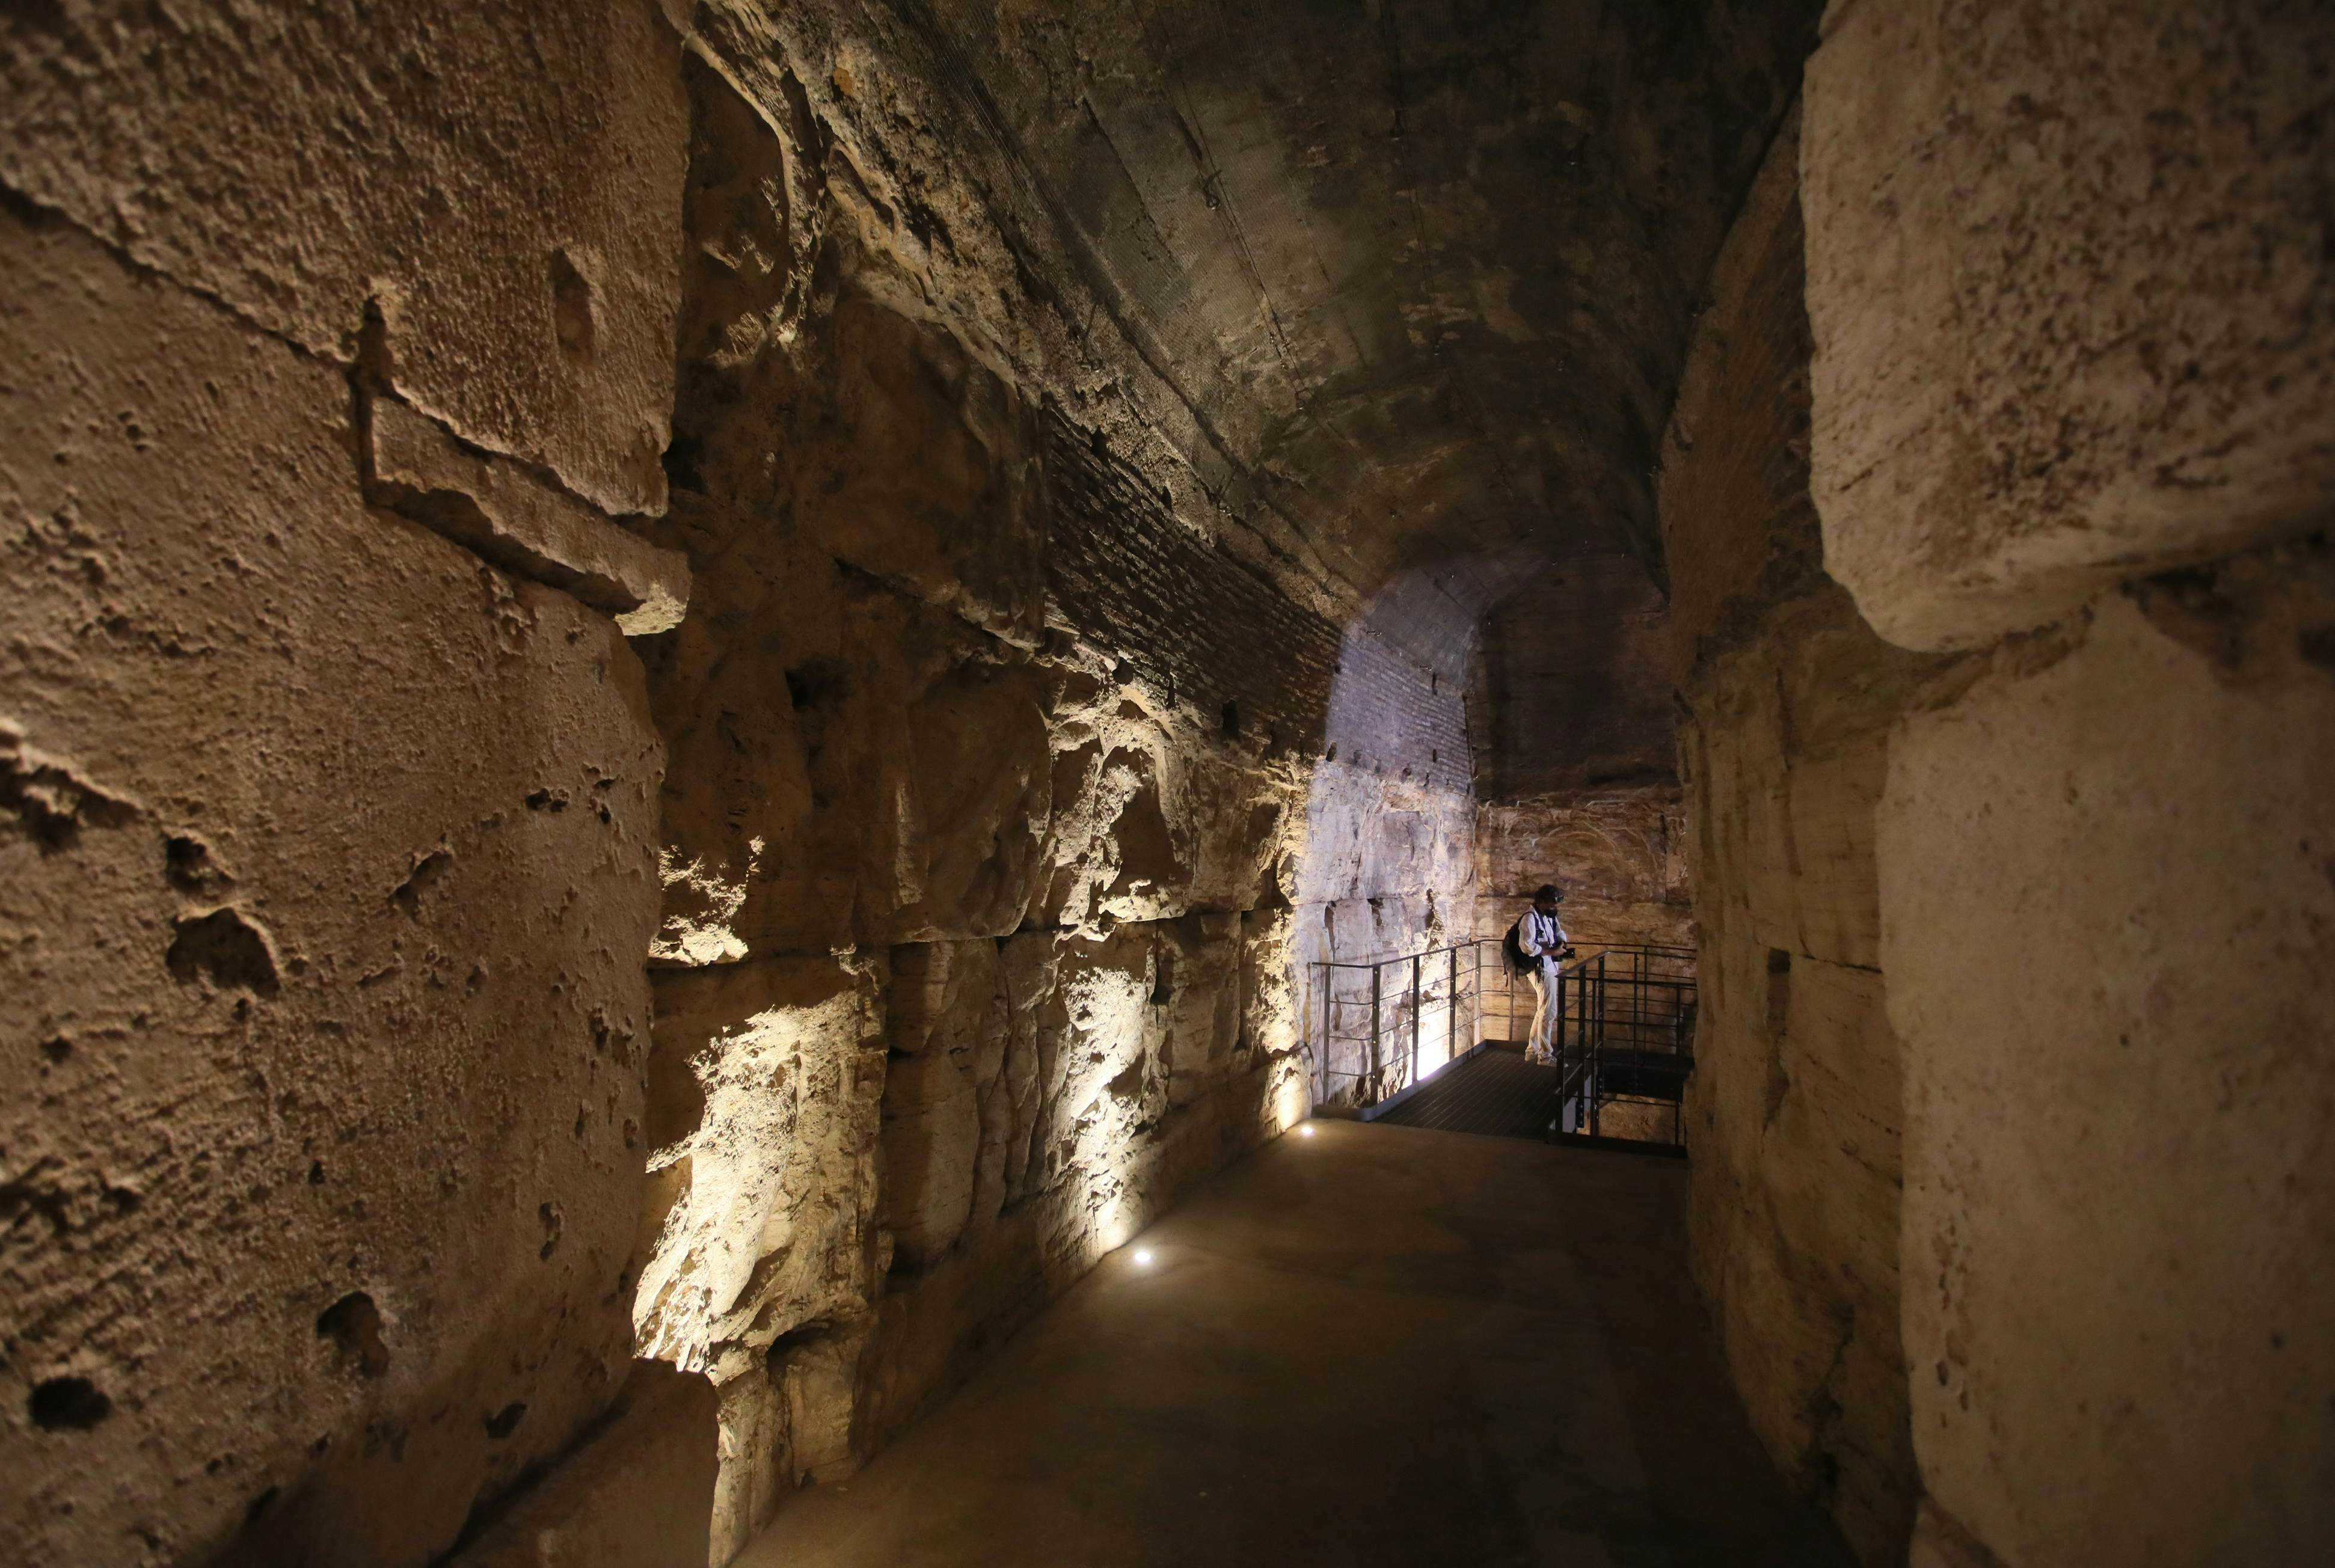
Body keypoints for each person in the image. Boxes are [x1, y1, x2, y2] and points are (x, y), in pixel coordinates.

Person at [1511, 883, 1573, 1064]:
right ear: (1541, 902)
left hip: (1549, 967)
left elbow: (1559, 931)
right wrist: (1550, 952)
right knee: (1549, 1011)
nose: (1555, 908)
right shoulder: (1530, 919)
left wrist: (1561, 942)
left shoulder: (1548, 916)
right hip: (1541, 970)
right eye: (1552, 905)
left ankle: (1533, 1050)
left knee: (1543, 1009)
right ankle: (1545, 1056)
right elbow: (1527, 946)